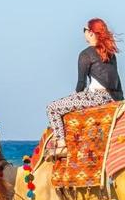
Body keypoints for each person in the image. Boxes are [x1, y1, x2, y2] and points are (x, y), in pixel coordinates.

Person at [46, 18, 123, 156]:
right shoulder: (109, 53)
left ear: (92, 33)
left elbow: (81, 84)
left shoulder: (86, 54)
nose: (84, 33)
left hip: (96, 97)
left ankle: (62, 145)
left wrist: (75, 95)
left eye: (85, 30)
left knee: (52, 108)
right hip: (113, 97)